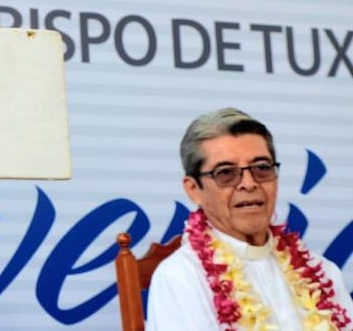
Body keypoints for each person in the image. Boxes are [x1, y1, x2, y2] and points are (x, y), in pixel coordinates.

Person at [147, 107, 353, 330]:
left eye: (262, 168)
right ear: (194, 189)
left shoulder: (321, 273)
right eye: (225, 172)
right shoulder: (179, 278)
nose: (248, 183)